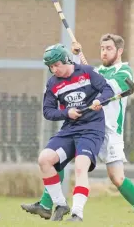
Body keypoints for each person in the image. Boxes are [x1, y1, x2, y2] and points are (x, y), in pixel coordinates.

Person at [21, 34, 134, 223]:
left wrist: (94, 84)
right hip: (87, 125)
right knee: (57, 160)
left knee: (117, 178)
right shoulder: (97, 70)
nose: (104, 52)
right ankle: (48, 204)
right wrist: (76, 55)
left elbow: (108, 86)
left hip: (109, 129)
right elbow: (78, 75)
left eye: (109, 48)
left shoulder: (124, 71)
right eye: (102, 48)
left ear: (119, 51)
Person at [32, 43, 115, 222]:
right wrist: (66, 113)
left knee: (80, 165)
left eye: (56, 65)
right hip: (70, 130)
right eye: (51, 67)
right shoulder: (53, 83)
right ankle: (60, 204)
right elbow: (48, 111)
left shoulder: (87, 72)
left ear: (66, 60)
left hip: (92, 130)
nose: (54, 70)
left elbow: (107, 89)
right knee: (44, 159)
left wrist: (100, 100)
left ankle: (77, 213)